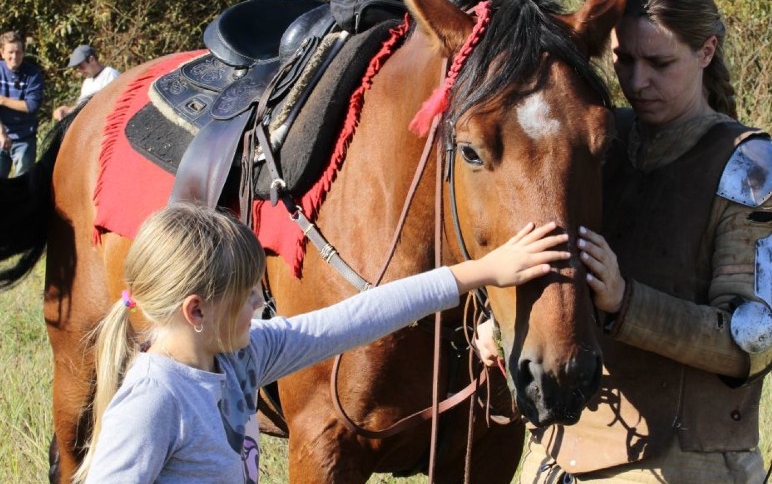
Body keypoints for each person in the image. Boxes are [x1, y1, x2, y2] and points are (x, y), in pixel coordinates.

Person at [477, 0, 772, 483]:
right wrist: (499, 324)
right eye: (624, 60)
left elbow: (755, 337)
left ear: (706, 52)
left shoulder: (746, 168)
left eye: (659, 62)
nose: (636, 81)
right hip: (560, 455)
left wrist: (627, 302)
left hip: (690, 464)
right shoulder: (590, 139)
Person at [74, 203, 571, 483]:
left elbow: (353, 319)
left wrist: (481, 272)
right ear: (197, 310)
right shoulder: (153, 402)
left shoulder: (242, 356)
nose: (259, 305)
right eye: (247, 296)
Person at [0, 30, 44, 178]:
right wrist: (1, 133)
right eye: (10, 52)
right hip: (1, 134)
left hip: (25, 138)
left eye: (18, 52)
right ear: (2, 52)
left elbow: (31, 106)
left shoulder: (33, 74)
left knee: (22, 185)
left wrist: (3, 100)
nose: (14, 57)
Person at [53, 44, 120, 120]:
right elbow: (81, 107)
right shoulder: (87, 82)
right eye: (78, 68)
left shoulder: (110, 74)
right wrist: (66, 111)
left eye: (82, 67)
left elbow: (111, 104)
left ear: (92, 60)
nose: (81, 71)